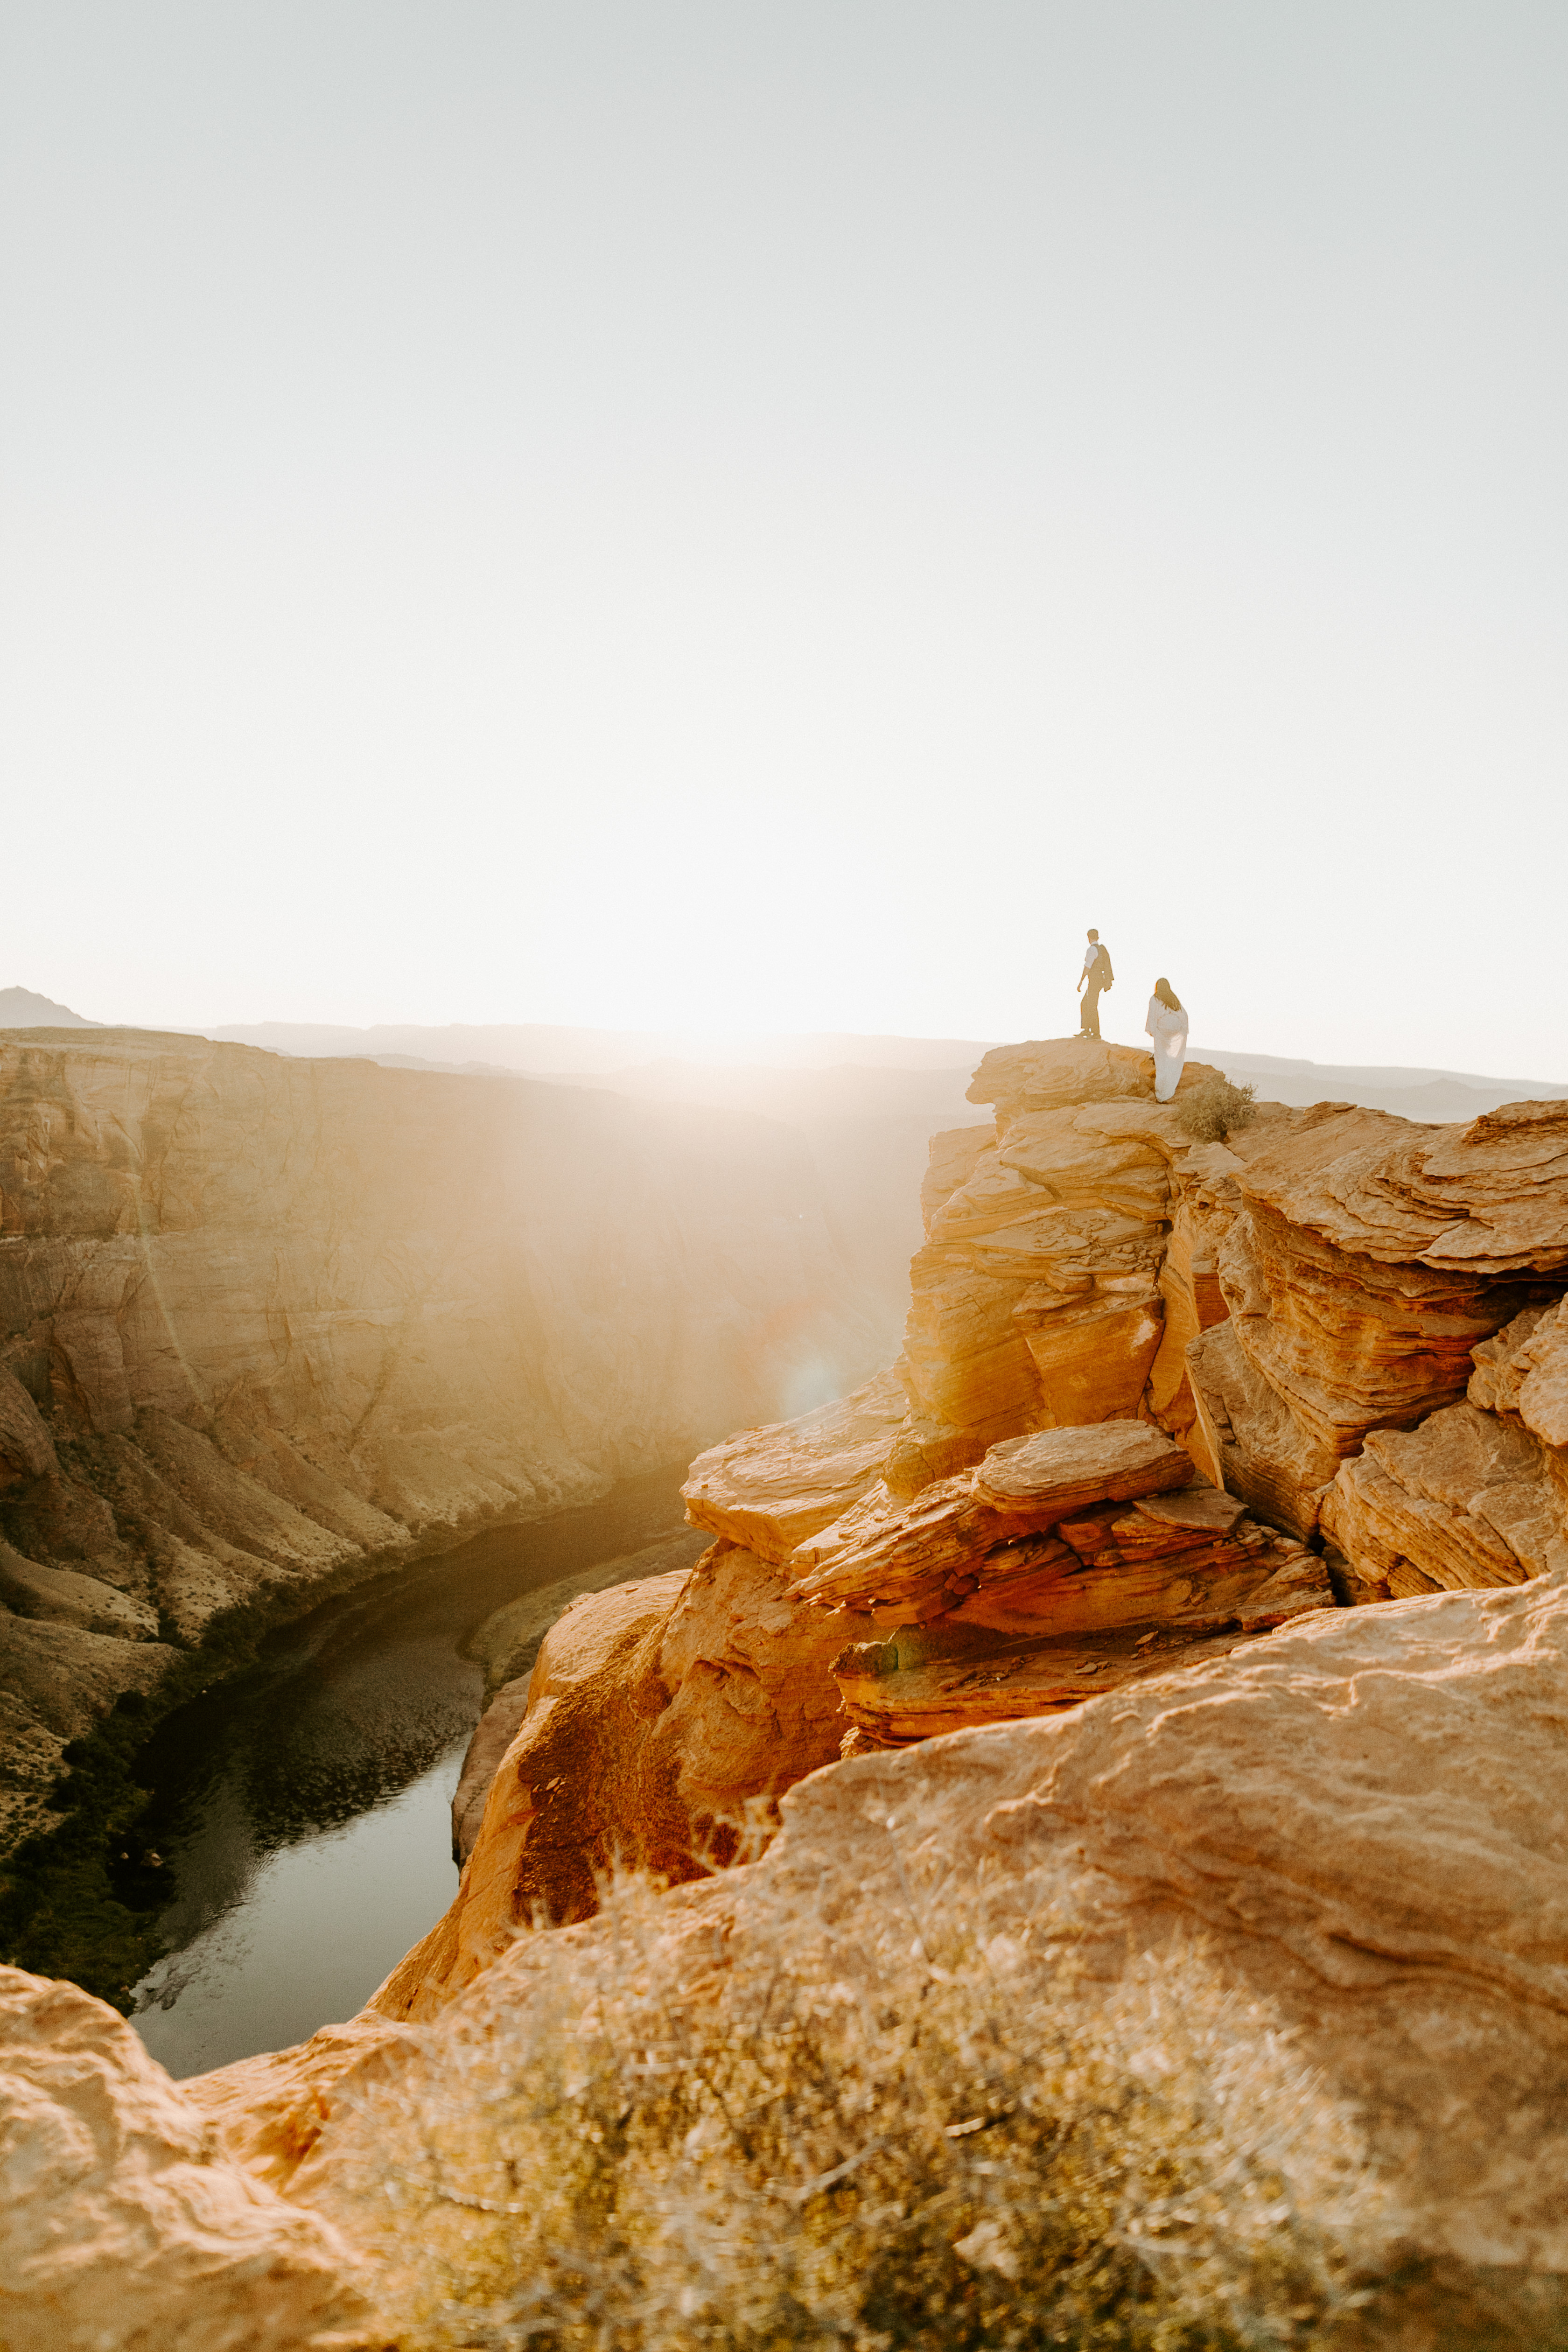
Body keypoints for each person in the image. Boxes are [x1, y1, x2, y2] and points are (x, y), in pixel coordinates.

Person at [1145, 977, 1189, 1101]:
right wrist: (1183, 1029)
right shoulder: (1174, 998)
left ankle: (1162, 1092)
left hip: (1164, 1027)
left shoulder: (1155, 998)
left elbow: (1152, 1014)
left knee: (1162, 1057)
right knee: (1166, 1049)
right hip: (1176, 1027)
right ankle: (1158, 1055)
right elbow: (1184, 1014)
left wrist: (1153, 1030)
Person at [1076, 929, 1113, 1041]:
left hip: (1095, 980)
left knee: (1091, 1005)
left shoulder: (1092, 949)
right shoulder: (1102, 949)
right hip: (1101, 980)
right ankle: (1088, 1029)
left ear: (1089, 938)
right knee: (1086, 1003)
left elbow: (1088, 966)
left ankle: (1095, 1033)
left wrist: (1081, 981)